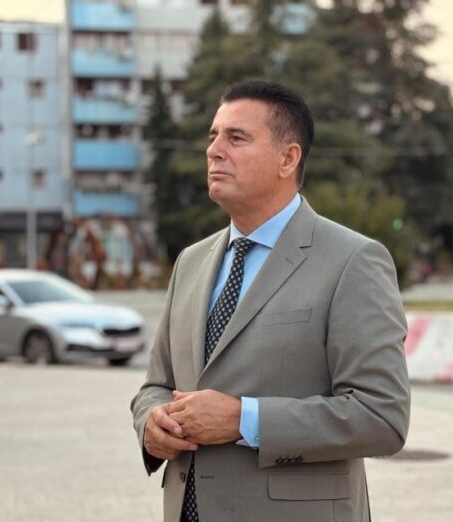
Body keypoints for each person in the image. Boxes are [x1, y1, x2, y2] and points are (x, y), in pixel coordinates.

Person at [130, 80, 410, 522]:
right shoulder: (191, 262)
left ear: (288, 158)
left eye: (236, 137)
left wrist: (244, 420)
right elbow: (156, 385)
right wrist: (151, 422)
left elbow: (382, 416)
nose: (214, 150)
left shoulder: (353, 261)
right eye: (213, 136)